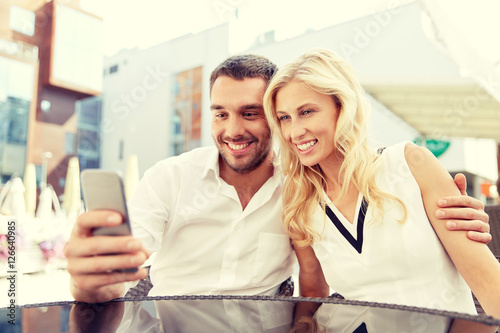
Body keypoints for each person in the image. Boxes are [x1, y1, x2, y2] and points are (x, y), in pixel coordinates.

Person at [64, 54, 491, 304]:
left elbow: (317, 287)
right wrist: (93, 276)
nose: (232, 130)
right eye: (220, 113)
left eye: (252, 113)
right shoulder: (174, 178)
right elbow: (123, 262)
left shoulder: (317, 186)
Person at [263, 48, 500, 325]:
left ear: (342, 107)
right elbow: (314, 295)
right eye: (284, 118)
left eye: (307, 112)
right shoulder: (299, 200)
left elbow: (488, 282)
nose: (294, 131)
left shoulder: (411, 164)